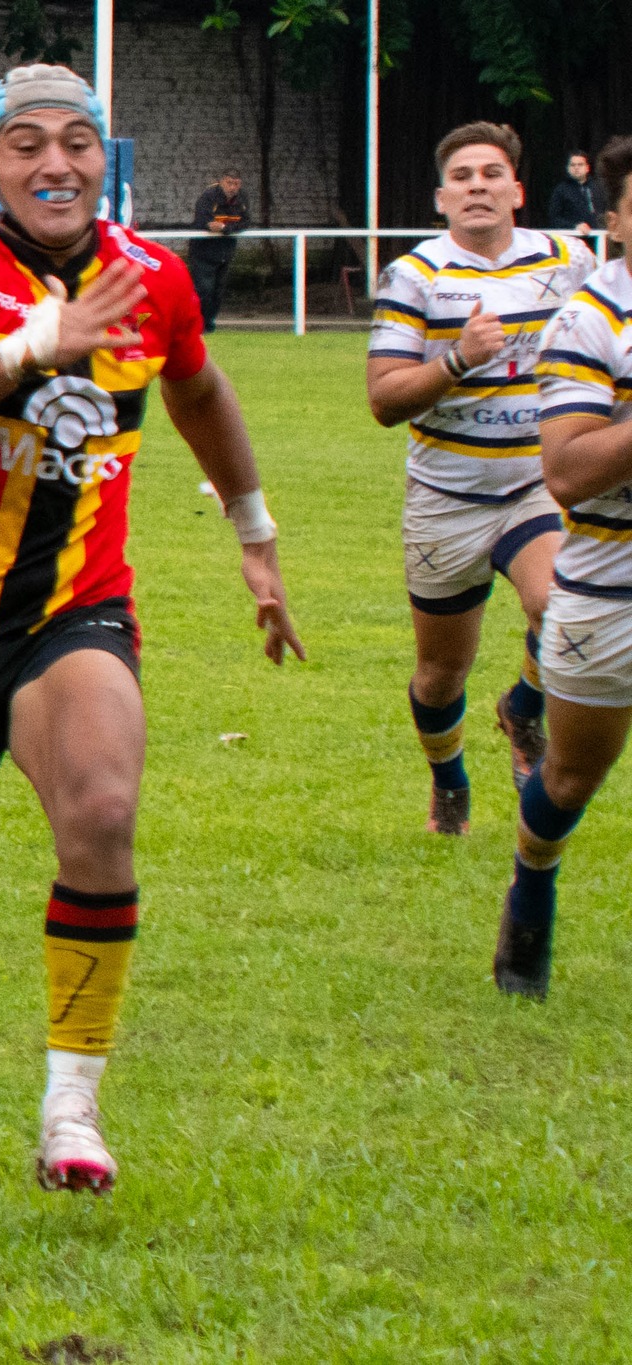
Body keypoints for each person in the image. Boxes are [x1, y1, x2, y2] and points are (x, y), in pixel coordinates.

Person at [0, 63, 302, 1195]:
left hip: (75, 609)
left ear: (106, 157)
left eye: (78, 143)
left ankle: (70, 1108)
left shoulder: (150, 277)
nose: (55, 163)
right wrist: (20, 350)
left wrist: (251, 531)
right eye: (25, 145)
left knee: (100, 810)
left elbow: (196, 389)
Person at [366, 122, 590, 837]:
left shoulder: (568, 259)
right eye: (462, 176)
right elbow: (384, 399)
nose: (478, 186)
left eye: (492, 173)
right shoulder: (415, 276)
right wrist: (459, 359)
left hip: (537, 484)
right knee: (439, 675)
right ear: (441, 197)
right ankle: (450, 779)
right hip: (447, 497)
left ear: (517, 190)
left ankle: (525, 707)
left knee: (560, 608)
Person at [499, 134, 632, 998]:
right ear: (615, 217)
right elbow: (568, 470)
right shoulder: (591, 321)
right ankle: (532, 878)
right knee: (572, 776)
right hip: (611, 579)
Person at [186, 169, 249, 333]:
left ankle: (209, 325)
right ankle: (198, 326)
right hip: (204, 252)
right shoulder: (209, 196)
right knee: (204, 291)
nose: (232, 187)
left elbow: (245, 222)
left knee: (218, 292)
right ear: (221, 182)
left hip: (225, 252)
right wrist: (211, 226)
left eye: (236, 184)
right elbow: (201, 220)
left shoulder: (242, 199)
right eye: (229, 183)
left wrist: (225, 228)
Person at [547, 151, 601, 234]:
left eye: (580, 164)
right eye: (573, 165)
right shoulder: (561, 190)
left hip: (598, 238)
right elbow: (554, 218)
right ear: (567, 168)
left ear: (587, 168)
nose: (576, 168)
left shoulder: (598, 188)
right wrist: (574, 226)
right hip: (572, 238)